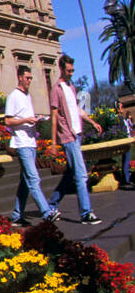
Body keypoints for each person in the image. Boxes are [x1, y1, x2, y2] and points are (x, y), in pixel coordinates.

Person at [47, 54, 102, 224]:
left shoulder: (71, 86)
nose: (71, 73)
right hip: (68, 136)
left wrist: (92, 122)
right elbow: (54, 116)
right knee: (81, 175)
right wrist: (54, 142)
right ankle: (86, 213)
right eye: (69, 70)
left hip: (77, 134)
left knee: (71, 173)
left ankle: (52, 205)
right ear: (61, 69)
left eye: (73, 70)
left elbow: (77, 109)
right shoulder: (56, 89)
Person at [4, 64, 59, 226]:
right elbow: (8, 120)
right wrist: (26, 120)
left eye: (31, 78)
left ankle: (16, 215)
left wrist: (35, 119)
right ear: (20, 77)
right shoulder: (13, 96)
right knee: (34, 178)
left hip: (31, 142)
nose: (29, 81)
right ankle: (47, 212)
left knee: (26, 181)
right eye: (27, 78)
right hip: (22, 143)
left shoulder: (27, 96)